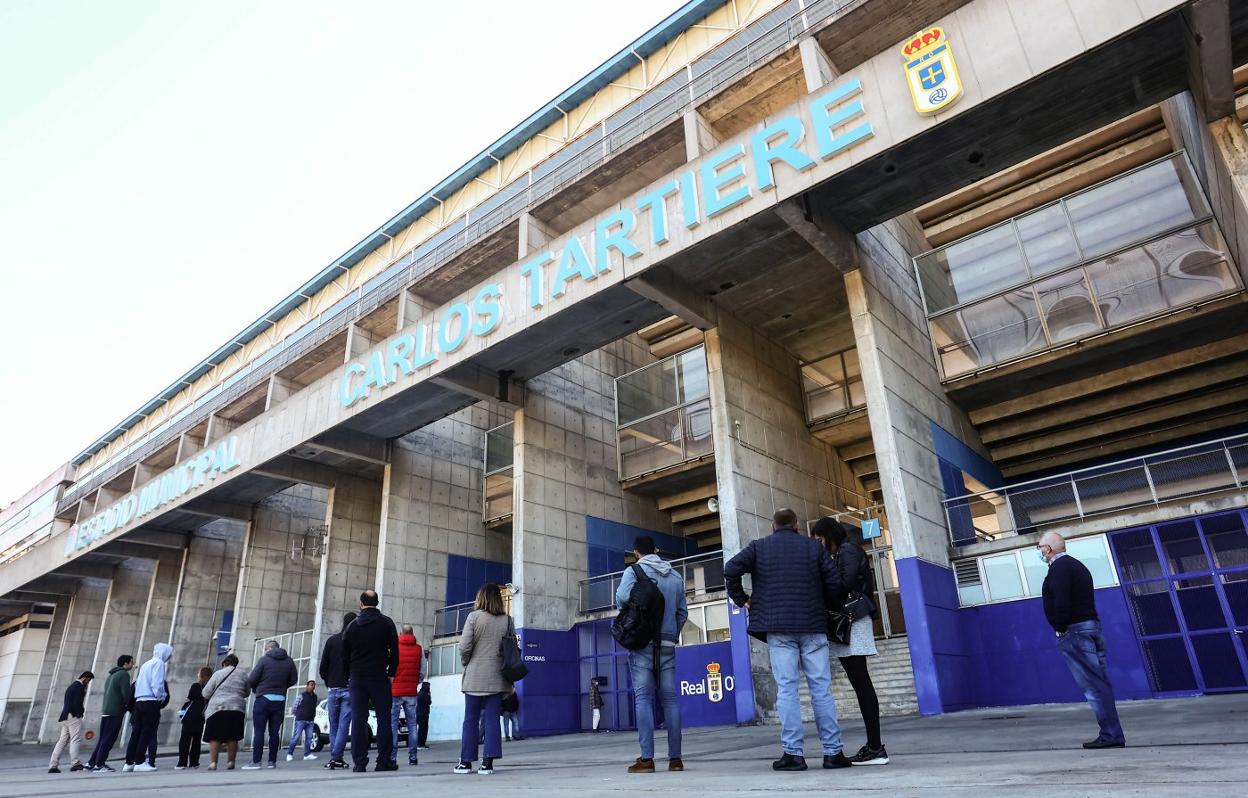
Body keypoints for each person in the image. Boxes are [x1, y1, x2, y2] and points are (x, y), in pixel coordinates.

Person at [724, 508, 848, 772]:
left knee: (787, 689)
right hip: (812, 625)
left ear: (773, 525)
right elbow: (835, 583)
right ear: (796, 524)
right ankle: (833, 753)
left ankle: (793, 754)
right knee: (821, 689)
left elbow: (730, 569)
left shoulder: (759, 547)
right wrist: (822, 604)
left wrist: (742, 599)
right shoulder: (813, 548)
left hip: (778, 628)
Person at [812, 517, 888, 766]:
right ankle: (874, 746)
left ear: (829, 535)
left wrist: (822, 577)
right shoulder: (842, 553)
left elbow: (844, 583)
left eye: (819, 539)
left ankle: (876, 748)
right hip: (849, 622)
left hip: (854, 621)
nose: (818, 544)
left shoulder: (848, 550)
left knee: (862, 683)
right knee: (860, 683)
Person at [1039, 531, 1126, 749]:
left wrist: (1059, 627)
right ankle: (1112, 733)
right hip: (1090, 627)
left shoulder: (1059, 568)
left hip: (1075, 631)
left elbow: (1061, 601)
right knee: (1101, 683)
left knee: (1093, 686)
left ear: (1048, 548)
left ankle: (1111, 735)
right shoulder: (1077, 566)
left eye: (1040, 547)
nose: (1039, 551)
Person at [615, 536, 688, 774]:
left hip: (642, 643)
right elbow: (682, 612)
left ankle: (646, 759)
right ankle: (675, 759)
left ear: (636, 552)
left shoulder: (633, 571)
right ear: (655, 550)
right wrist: (671, 635)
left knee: (643, 698)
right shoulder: (675, 576)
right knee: (670, 699)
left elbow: (621, 598)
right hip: (666, 643)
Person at [454, 583, 513, 775]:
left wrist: (467, 663)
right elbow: (511, 649)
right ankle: (487, 763)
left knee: (470, 720)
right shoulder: (507, 620)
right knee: (492, 719)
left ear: (481, 598)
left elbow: (464, 647)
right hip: (497, 677)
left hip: (474, 676)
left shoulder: (473, 617)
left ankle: (465, 762)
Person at [342, 590, 400, 773]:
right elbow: (395, 651)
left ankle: (359, 763)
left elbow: (344, 654)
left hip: (357, 677)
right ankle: (384, 761)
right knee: (384, 719)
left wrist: (348, 675)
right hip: (379, 677)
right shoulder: (386, 623)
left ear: (361, 604)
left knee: (359, 719)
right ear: (377, 603)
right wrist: (391, 673)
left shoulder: (352, 626)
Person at [243, 639, 299, 769]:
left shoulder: (264, 660)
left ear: (269, 648)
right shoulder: (289, 661)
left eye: (266, 649)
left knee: (259, 731)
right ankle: (272, 762)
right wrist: (282, 687)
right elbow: (294, 679)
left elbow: (252, 679)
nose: (265, 651)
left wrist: (257, 689)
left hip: (263, 699)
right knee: (274, 732)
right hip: (279, 700)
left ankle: (256, 762)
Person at [124, 642, 172, 772]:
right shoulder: (159, 663)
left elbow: (138, 683)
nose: (169, 657)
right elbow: (157, 684)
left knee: (136, 733)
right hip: (151, 701)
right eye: (169, 654)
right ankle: (140, 762)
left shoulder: (146, 664)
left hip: (139, 700)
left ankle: (129, 762)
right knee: (147, 732)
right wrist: (161, 697)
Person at [320, 611, 357, 770]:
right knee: (343, 725)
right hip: (349, 687)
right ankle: (337, 757)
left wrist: (329, 682)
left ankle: (335, 758)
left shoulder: (332, 640)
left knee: (333, 724)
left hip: (333, 688)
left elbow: (323, 667)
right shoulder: (356, 642)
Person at [202, 653, 248, 771]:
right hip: (236, 708)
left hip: (218, 709)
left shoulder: (218, 674)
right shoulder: (243, 674)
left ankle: (213, 763)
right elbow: (247, 692)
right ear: (236, 664)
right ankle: (231, 762)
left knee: (215, 737)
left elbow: (206, 693)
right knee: (233, 737)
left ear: (224, 663)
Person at [87, 655, 133, 772]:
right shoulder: (123, 674)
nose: (133, 665)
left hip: (106, 711)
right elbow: (126, 693)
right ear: (125, 663)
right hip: (115, 711)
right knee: (109, 739)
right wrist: (130, 706)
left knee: (103, 739)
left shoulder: (111, 675)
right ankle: (100, 764)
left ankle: (91, 763)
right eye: (131, 662)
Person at [390, 624, 423, 766]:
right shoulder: (419, 649)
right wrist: (417, 681)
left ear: (401, 633)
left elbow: (389, 669)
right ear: (412, 633)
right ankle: (413, 757)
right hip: (411, 692)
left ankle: (392, 757)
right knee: (412, 724)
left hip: (395, 692)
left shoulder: (394, 648)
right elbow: (422, 670)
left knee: (393, 724)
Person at [48, 671, 93, 773]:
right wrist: (80, 713)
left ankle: (53, 765)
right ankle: (75, 763)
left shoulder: (72, 686)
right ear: (84, 678)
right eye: (88, 680)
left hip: (65, 716)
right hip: (73, 716)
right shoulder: (78, 687)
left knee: (62, 741)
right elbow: (77, 703)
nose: (88, 683)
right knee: (75, 739)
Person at [176, 667, 214, 769]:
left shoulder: (195, 686)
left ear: (201, 675)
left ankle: (182, 762)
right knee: (196, 741)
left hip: (190, 716)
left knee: (185, 740)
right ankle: (194, 762)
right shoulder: (210, 689)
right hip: (200, 717)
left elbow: (189, 698)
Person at [287, 680, 319, 761]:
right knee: (296, 737)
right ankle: (289, 754)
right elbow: (295, 706)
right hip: (300, 720)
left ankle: (307, 754)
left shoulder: (315, 697)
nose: (313, 686)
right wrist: (297, 714)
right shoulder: (301, 695)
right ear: (307, 686)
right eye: (311, 685)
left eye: (314, 685)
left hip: (310, 721)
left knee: (309, 738)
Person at [416, 681, 431, 749]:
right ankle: (421, 744)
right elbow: (429, 702)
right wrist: (429, 695)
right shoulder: (425, 694)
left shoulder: (419, 693)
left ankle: (420, 743)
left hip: (419, 714)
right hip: (423, 714)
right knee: (423, 730)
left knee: (421, 729)